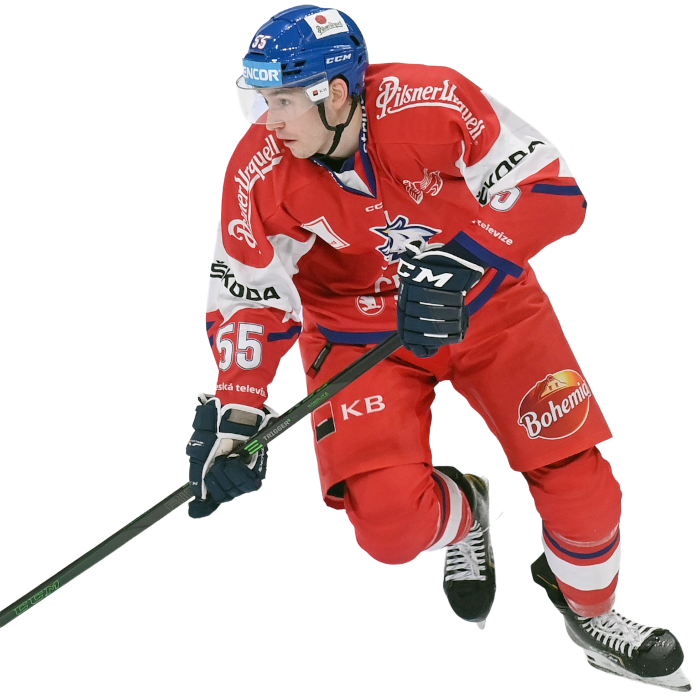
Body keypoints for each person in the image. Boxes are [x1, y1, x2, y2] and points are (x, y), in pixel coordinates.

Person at [185, 5, 691, 692]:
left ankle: (592, 615)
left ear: (337, 93)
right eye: (260, 100)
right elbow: (249, 292)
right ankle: (467, 513)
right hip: (358, 333)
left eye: (282, 101)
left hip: (489, 307)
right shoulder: (258, 169)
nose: (267, 121)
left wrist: (463, 265)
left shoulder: (432, 98)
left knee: (580, 483)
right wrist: (238, 412)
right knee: (389, 531)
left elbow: (552, 190)